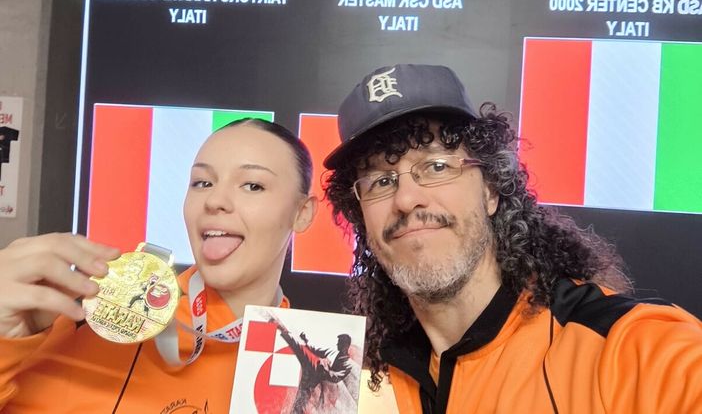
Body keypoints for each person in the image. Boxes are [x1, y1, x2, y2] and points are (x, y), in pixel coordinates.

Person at [323, 64, 702, 414]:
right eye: (381, 181)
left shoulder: (627, 349)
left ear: (491, 189)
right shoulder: (360, 379)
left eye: (436, 166)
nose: (406, 199)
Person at [0, 118, 318, 412]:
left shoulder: (314, 370)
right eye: (202, 183)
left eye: (252, 185)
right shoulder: (91, 315)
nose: (214, 200)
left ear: (302, 213)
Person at [270, 314, 356, 413]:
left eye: (340, 342)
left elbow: (336, 377)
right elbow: (313, 351)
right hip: (315, 374)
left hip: (322, 382)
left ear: (345, 345)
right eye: (339, 342)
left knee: (304, 396)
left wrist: (325, 369)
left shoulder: (347, 362)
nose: (337, 344)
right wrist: (306, 343)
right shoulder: (335, 356)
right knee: (303, 395)